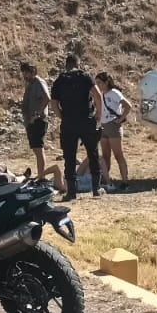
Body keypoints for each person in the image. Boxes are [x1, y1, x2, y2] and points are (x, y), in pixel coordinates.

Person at [50, 52, 104, 201]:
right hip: (86, 120)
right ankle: (96, 189)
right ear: (78, 64)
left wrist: (62, 116)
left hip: (69, 122)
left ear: (66, 65)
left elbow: (53, 103)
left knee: (69, 157)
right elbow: (97, 95)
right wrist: (99, 115)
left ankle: (71, 192)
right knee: (92, 153)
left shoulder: (60, 80)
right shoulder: (85, 77)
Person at [19, 61, 57, 184]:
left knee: (39, 149)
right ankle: (41, 175)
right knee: (36, 149)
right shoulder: (30, 84)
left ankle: (41, 177)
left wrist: (36, 114)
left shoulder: (39, 82)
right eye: (23, 73)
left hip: (38, 121)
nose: (25, 75)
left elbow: (47, 97)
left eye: (26, 73)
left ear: (32, 72)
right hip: (31, 122)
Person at [96, 71, 133, 192]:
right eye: (96, 83)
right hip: (103, 126)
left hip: (113, 125)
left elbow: (128, 106)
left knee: (118, 155)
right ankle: (107, 180)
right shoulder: (100, 94)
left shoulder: (114, 93)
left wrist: (120, 119)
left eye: (100, 83)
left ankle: (125, 181)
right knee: (106, 156)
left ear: (106, 82)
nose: (98, 85)